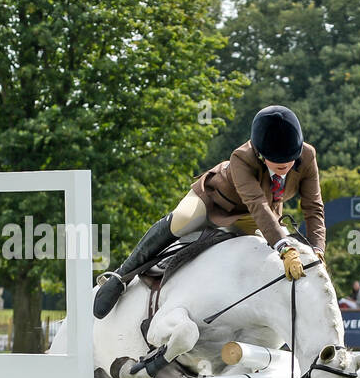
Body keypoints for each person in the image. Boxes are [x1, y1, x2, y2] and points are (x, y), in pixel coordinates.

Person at [94, 105, 326, 318]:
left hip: (261, 215)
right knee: (182, 220)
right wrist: (284, 247)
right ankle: (121, 276)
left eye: (289, 159)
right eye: (276, 160)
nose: (284, 165)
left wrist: (317, 250)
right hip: (216, 202)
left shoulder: (307, 156)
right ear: (260, 153)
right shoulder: (241, 158)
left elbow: (313, 207)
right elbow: (257, 203)